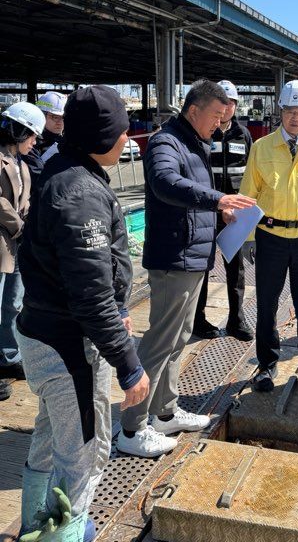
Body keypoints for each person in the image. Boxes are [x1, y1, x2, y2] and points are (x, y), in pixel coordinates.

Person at [16, 86, 150, 542]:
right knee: (85, 453)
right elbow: (90, 295)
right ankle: (65, 534)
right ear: (102, 136)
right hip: (68, 344)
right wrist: (129, 366)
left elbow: (86, 282)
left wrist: (114, 307)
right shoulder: (81, 194)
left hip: (42, 330)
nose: (129, 136)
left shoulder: (63, 168)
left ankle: (38, 522)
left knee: (51, 438)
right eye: (122, 128)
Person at [118, 80, 255, 458]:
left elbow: (191, 192)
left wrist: (220, 211)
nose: (221, 121)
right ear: (194, 110)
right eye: (215, 114)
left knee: (179, 339)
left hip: (193, 255)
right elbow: (164, 183)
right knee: (160, 341)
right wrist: (218, 198)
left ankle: (164, 411)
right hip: (174, 257)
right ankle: (132, 429)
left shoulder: (194, 141)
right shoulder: (167, 141)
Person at [240, 79, 298, 399]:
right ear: (279, 111)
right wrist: (248, 236)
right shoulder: (262, 148)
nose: (295, 118)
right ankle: (267, 365)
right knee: (266, 306)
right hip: (270, 238)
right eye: (290, 111)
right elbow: (248, 195)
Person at [192, 79, 254, 342]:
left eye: (232, 103)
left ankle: (236, 320)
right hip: (209, 212)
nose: (227, 108)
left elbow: (251, 173)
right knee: (203, 267)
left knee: (235, 269)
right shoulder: (204, 133)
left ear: (236, 106)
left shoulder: (244, 135)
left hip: (236, 216)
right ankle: (199, 320)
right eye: (223, 103)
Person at [0, 102, 45, 403]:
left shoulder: (22, 164)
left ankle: (8, 356)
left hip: (15, 245)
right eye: (31, 135)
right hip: (6, 240)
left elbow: (24, 201)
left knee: (13, 303)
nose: (34, 142)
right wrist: (21, 227)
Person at [22, 91, 68, 187]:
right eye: (55, 117)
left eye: (63, 117)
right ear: (41, 115)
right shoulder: (30, 143)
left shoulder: (65, 140)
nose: (60, 122)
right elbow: (37, 177)